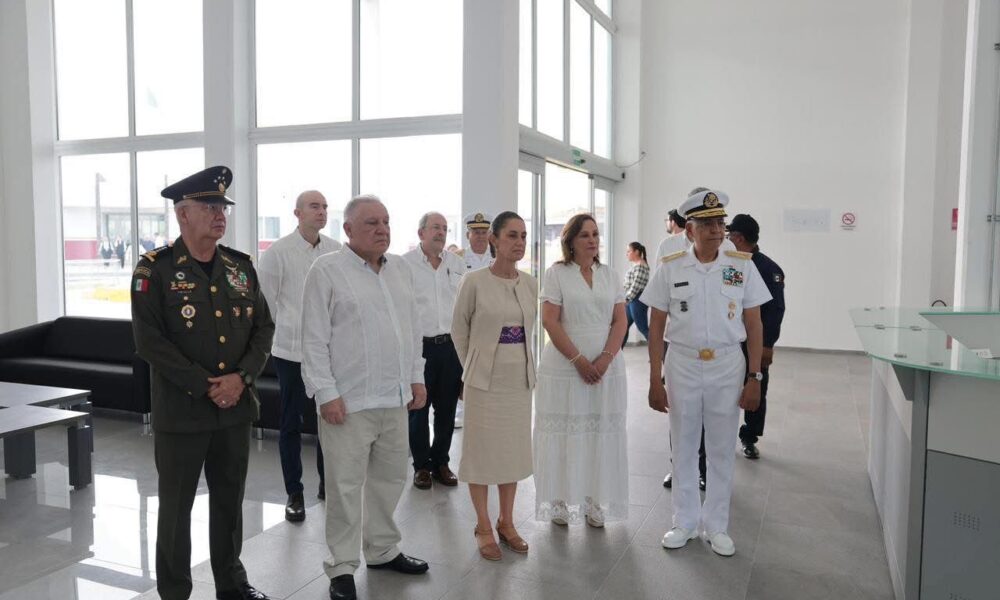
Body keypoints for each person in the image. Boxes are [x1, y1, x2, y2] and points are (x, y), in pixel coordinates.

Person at [130, 165, 276, 600]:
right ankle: (175, 592)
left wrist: (241, 378)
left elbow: (264, 329)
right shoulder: (154, 270)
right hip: (183, 411)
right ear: (182, 214)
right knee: (176, 509)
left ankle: (232, 583)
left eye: (222, 207)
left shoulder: (239, 267)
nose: (219, 214)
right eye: (209, 206)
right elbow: (149, 342)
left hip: (234, 410)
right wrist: (207, 384)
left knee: (230, 503)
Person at [300, 195, 429, 600]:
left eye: (387, 222)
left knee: (390, 480)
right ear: (349, 230)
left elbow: (411, 331)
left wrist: (416, 379)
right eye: (372, 222)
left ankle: (382, 549)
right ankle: (341, 567)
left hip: (393, 397)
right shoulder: (327, 270)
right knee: (343, 487)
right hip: (347, 402)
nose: (382, 229)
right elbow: (313, 339)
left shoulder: (401, 271)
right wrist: (326, 393)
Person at [640, 189, 771, 558]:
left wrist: (755, 377)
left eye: (721, 223)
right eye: (708, 224)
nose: (717, 231)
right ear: (690, 229)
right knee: (682, 443)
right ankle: (683, 521)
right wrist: (654, 379)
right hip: (681, 362)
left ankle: (716, 526)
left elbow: (754, 321)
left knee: (720, 446)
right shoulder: (672, 266)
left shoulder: (741, 264)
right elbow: (656, 325)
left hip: (728, 364)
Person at [451, 211, 537, 561]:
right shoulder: (473, 281)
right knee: (482, 453)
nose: (519, 243)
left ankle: (507, 521)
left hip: (519, 380)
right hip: (484, 381)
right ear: (494, 240)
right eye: (512, 236)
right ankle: (483, 525)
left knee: (511, 453)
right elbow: (459, 329)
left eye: (523, 236)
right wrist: (471, 366)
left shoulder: (530, 283)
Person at [533, 214, 629, 528]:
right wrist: (579, 360)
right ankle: (559, 500)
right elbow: (550, 321)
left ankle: (593, 499)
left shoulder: (611, 275)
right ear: (570, 241)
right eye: (585, 235)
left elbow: (620, 321)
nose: (592, 240)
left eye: (595, 234)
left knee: (598, 432)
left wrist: (604, 358)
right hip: (564, 366)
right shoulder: (557, 273)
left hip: (606, 366)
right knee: (563, 432)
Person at [258, 190, 342, 522]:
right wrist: (294, 330)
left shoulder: (336, 250)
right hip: (290, 353)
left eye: (324, 206)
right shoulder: (278, 253)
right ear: (297, 213)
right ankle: (295, 492)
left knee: (329, 421)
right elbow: (266, 305)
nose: (321, 211)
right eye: (314, 206)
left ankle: (327, 485)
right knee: (291, 423)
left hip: (327, 353)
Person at [402, 212, 467, 490]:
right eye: (435, 228)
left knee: (447, 409)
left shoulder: (457, 264)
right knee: (418, 408)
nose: (440, 233)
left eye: (444, 228)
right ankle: (421, 467)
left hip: (451, 347)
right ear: (421, 233)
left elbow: (465, 309)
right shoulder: (404, 266)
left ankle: (441, 461)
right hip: (421, 348)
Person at [725, 214, 785, 459]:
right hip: (730, 340)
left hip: (755, 342)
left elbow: (775, 310)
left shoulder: (769, 269)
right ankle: (724, 434)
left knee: (756, 386)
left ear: (738, 238)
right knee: (727, 390)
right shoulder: (730, 265)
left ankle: (749, 436)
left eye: (729, 235)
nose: (726, 239)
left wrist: (767, 345)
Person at [453, 211, 493, 429]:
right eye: (475, 232)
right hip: (465, 319)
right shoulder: (457, 258)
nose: (480, 236)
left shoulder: (497, 258)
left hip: (489, 321)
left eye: (484, 232)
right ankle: (460, 410)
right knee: (463, 363)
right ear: (467, 234)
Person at [622, 241, 650, 347]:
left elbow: (635, 287)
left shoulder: (641, 266)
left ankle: (660, 353)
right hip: (632, 300)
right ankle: (616, 353)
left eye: (629, 251)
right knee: (623, 327)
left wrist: (626, 299)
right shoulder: (636, 266)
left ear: (636, 252)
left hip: (636, 300)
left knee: (643, 328)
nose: (627, 254)